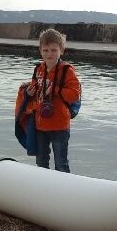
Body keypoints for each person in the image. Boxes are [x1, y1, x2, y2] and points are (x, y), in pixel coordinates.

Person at [20, 29, 81, 173]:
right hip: (40, 125)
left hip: (60, 126)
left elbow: (74, 95)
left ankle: (63, 191)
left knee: (61, 163)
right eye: (46, 50)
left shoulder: (67, 71)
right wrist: (29, 93)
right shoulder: (38, 69)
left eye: (54, 50)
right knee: (41, 161)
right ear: (40, 50)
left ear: (62, 50)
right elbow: (36, 88)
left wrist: (56, 89)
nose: (49, 54)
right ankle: (44, 189)